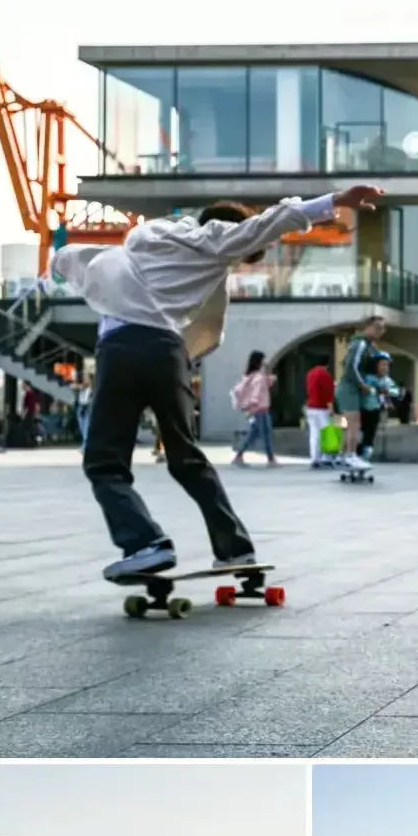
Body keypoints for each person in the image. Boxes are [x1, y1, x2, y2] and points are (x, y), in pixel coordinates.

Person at [49, 184, 384, 579]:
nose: (235, 264)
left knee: (105, 461)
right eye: (240, 258)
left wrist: (55, 266)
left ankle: (144, 543)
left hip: (121, 349)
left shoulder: (143, 240)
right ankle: (235, 549)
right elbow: (268, 222)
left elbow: (76, 259)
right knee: (187, 457)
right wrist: (331, 203)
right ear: (227, 231)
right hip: (167, 352)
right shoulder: (214, 239)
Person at [335, 316, 387, 467]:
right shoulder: (360, 343)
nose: (380, 331)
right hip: (350, 387)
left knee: (354, 423)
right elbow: (351, 367)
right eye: (377, 327)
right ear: (368, 327)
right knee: (354, 423)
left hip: (355, 388)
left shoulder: (370, 345)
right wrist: (363, 385)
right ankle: (351, 455)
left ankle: (344, 455)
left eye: (383, 328)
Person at [231, 350, 277, 466]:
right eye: (264, 359)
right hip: (260, 409)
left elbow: (269, 382)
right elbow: (256, 394)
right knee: (266, 435)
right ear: (260, 361)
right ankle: (271, 460)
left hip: (256, 410)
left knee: (254, 434)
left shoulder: (251, 376)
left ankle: (239, 456)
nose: (266, 362)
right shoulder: (258, 378)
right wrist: (253, 406)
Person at [359, 352, 401, 462]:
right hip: (362, 410)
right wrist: (378, 390)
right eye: (382, 364)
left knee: (370, 435)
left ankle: (365, 454)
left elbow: (396, 391)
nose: (385, 368)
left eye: (387, 365)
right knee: (362, 434)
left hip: (375, 411)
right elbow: (366, 390)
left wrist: (387, 391)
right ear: (375, 365)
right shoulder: (368, 378)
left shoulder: (387, 380)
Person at [305, 354, 336, 467]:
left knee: (314, 433)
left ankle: (314, 458)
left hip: (310, 407)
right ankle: (327, 457)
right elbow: (328, 393)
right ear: (327, 363)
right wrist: (331, 408)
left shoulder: (310, 374)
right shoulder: (325, 374)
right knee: (328, 432)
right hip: (322, 408)